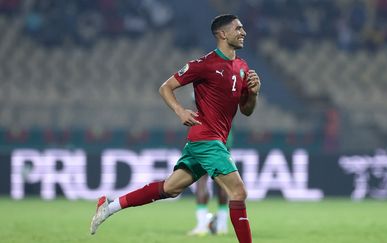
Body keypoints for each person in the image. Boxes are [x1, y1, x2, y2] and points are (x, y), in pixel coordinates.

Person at [90, 14, 261, 243]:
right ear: (222, 34)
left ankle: (109, 207)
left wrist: (253, 94)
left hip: (212, 140)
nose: (243, 32)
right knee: (239, 192)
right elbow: (165, 87)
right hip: (206, 139)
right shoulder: (205, 64)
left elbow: (246, 110)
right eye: (238, 28)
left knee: (169, 189)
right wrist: (180, 111)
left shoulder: (242, 67)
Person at [188, 129, 233, 236]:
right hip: (223, 140)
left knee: (201, 180)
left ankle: (202, 225)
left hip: (203, 139)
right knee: (223, 181)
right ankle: (222, 226)